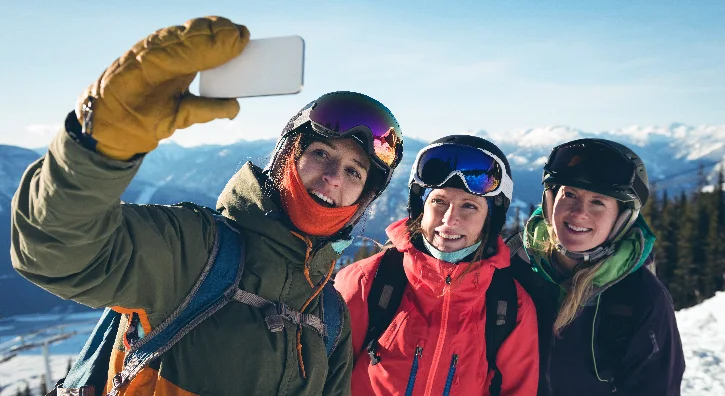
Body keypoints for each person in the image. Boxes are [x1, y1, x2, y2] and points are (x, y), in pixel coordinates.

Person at [10, 16, 404, 395]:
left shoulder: (329, 317)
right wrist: (96, 145)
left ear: (364, 199)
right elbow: (55, 250)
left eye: (354, 172)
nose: (334, 176)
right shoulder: (193, 251)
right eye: (321, 153)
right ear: (287, 156)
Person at [335, 135, 539, 396]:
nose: (450, 219)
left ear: (490, 219)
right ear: (421, 209)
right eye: (438, 202)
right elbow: (326, 381)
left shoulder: (510, 306)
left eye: (469, 206)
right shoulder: (367, 282)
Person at [506, 138, 685, 395]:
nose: (579, 213)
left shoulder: (641, 298)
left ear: (620, 218)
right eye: (569, 195)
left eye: (598, 202)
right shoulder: (510, 267)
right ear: (550, 200)